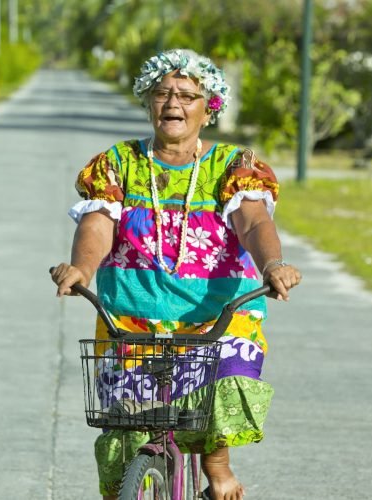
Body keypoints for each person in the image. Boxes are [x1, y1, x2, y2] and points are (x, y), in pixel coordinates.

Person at [51, 48, 301, 500]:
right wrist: (82, 269)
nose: (174, 103)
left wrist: (272, 264)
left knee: (225, 382)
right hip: (132, 316)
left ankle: (217, 465)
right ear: (148, 102)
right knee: (126, 431)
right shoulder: (118, 164)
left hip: (217, 317)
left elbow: (254, 222)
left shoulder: (234, 165)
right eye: (163, 93)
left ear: (208, 110)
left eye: (187, 95)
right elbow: (97, 224)